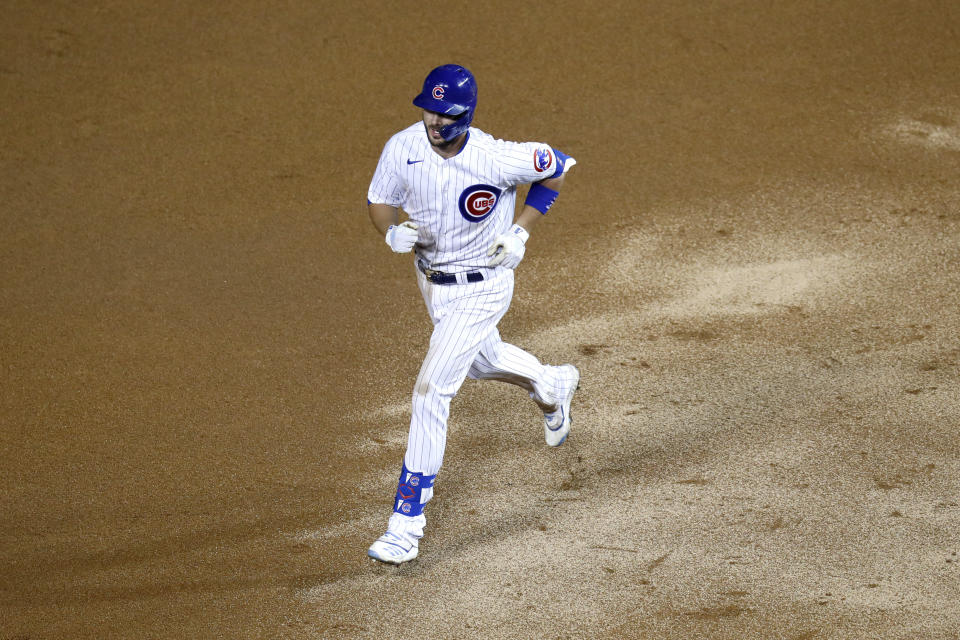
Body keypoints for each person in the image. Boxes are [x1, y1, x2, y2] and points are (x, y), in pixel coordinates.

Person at [365, 64, 580, 565]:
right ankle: (550, 384)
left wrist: (522, 230)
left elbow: (558, 165)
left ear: (466, 114)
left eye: (445, 114)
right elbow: (379, 200)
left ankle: (405, 524)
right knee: (481, 361)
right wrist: (390, 231)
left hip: (484, 286)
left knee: (431, 390)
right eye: (428, 110)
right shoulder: (404, 147)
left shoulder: (496, 156)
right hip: (433, 285)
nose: (434, 122)